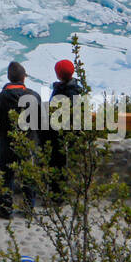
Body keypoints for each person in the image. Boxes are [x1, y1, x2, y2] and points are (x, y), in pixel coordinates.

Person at [0, 61, 43, 219]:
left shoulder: (1, 97)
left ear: (9, 78)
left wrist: (0, 134)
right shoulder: (33, 96)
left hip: (7, 142)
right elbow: (41, 121)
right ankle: (28, 208)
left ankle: (5, 208)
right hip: (29, 141)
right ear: (24, 78)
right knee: (28, 175)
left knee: (7, 175)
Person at [45, 58, 84, 200]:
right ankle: (60, 194)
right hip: (70, 134)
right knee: (63, 165)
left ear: (58, 75)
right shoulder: (76, 91)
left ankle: (57, 195)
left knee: (57, 165)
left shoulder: (62, 92)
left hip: (59, 135)